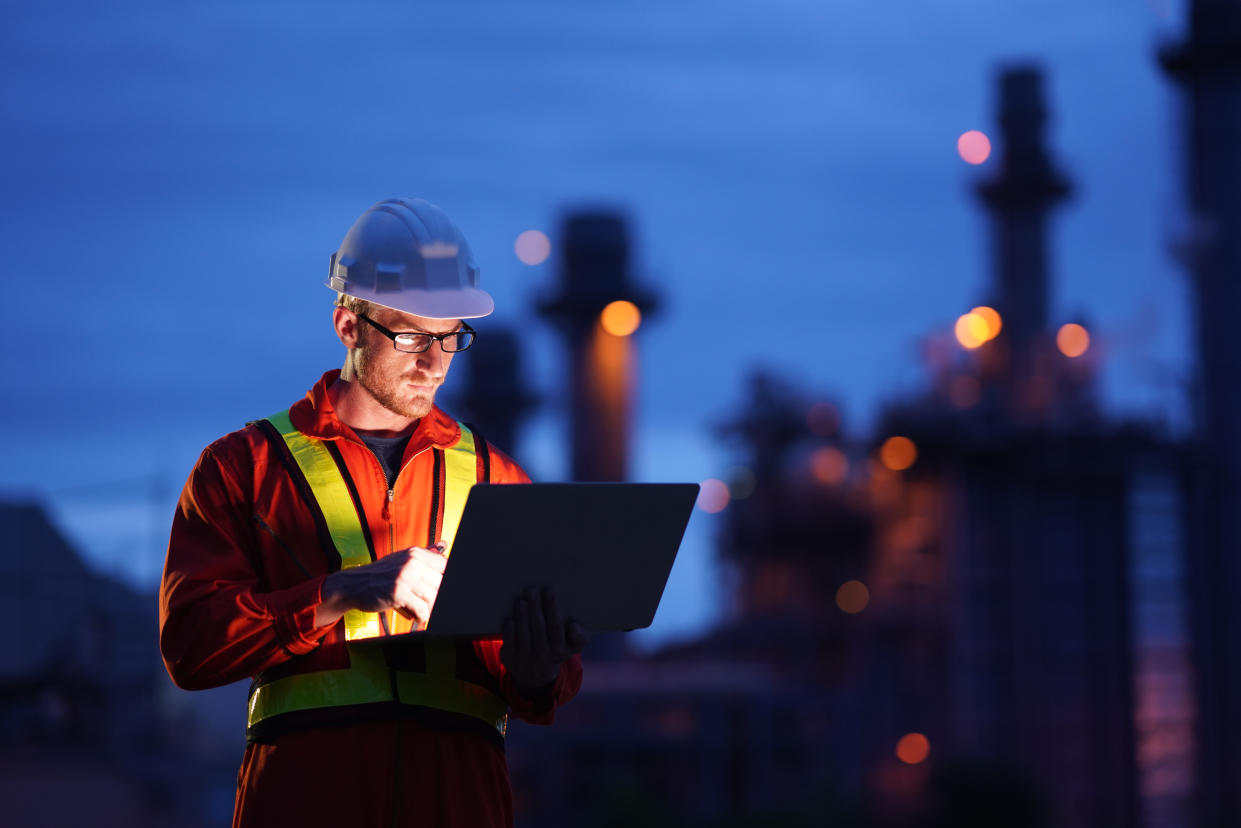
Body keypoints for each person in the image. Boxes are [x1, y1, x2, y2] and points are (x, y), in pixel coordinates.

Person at [159, 198, 587, 828]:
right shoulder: (243, 469)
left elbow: (543, 686)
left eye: (450, 337)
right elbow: (192, 647)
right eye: (413, 335)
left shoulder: (498, 478)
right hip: (306, 798)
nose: (434, 362)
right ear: (348, 326)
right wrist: (349, 590)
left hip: (457, 798)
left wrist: (539, 662)